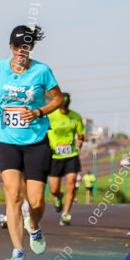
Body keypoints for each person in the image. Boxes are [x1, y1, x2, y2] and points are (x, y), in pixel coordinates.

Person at [0, 25, 64, 260]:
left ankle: (34, 226)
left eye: (27, 46)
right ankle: (17, 251)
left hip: (36, 143)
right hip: (7, 142)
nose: (22, 50)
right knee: (14, 196)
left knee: (37, 201)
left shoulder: (42, 71)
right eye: (18, 46)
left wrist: (39, 111)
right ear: (11, 46)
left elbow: (58, 99)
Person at [46, 92, 85, 226]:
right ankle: (58, 197)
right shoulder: (50, 116)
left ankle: (65, 214)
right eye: (61, 105)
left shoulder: (76, 117)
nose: (63, 108)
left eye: (66, 105)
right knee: (53, 189)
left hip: (71, 155)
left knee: (71, 184)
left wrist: (80, 141)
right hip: (55, 156)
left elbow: (81, 134)